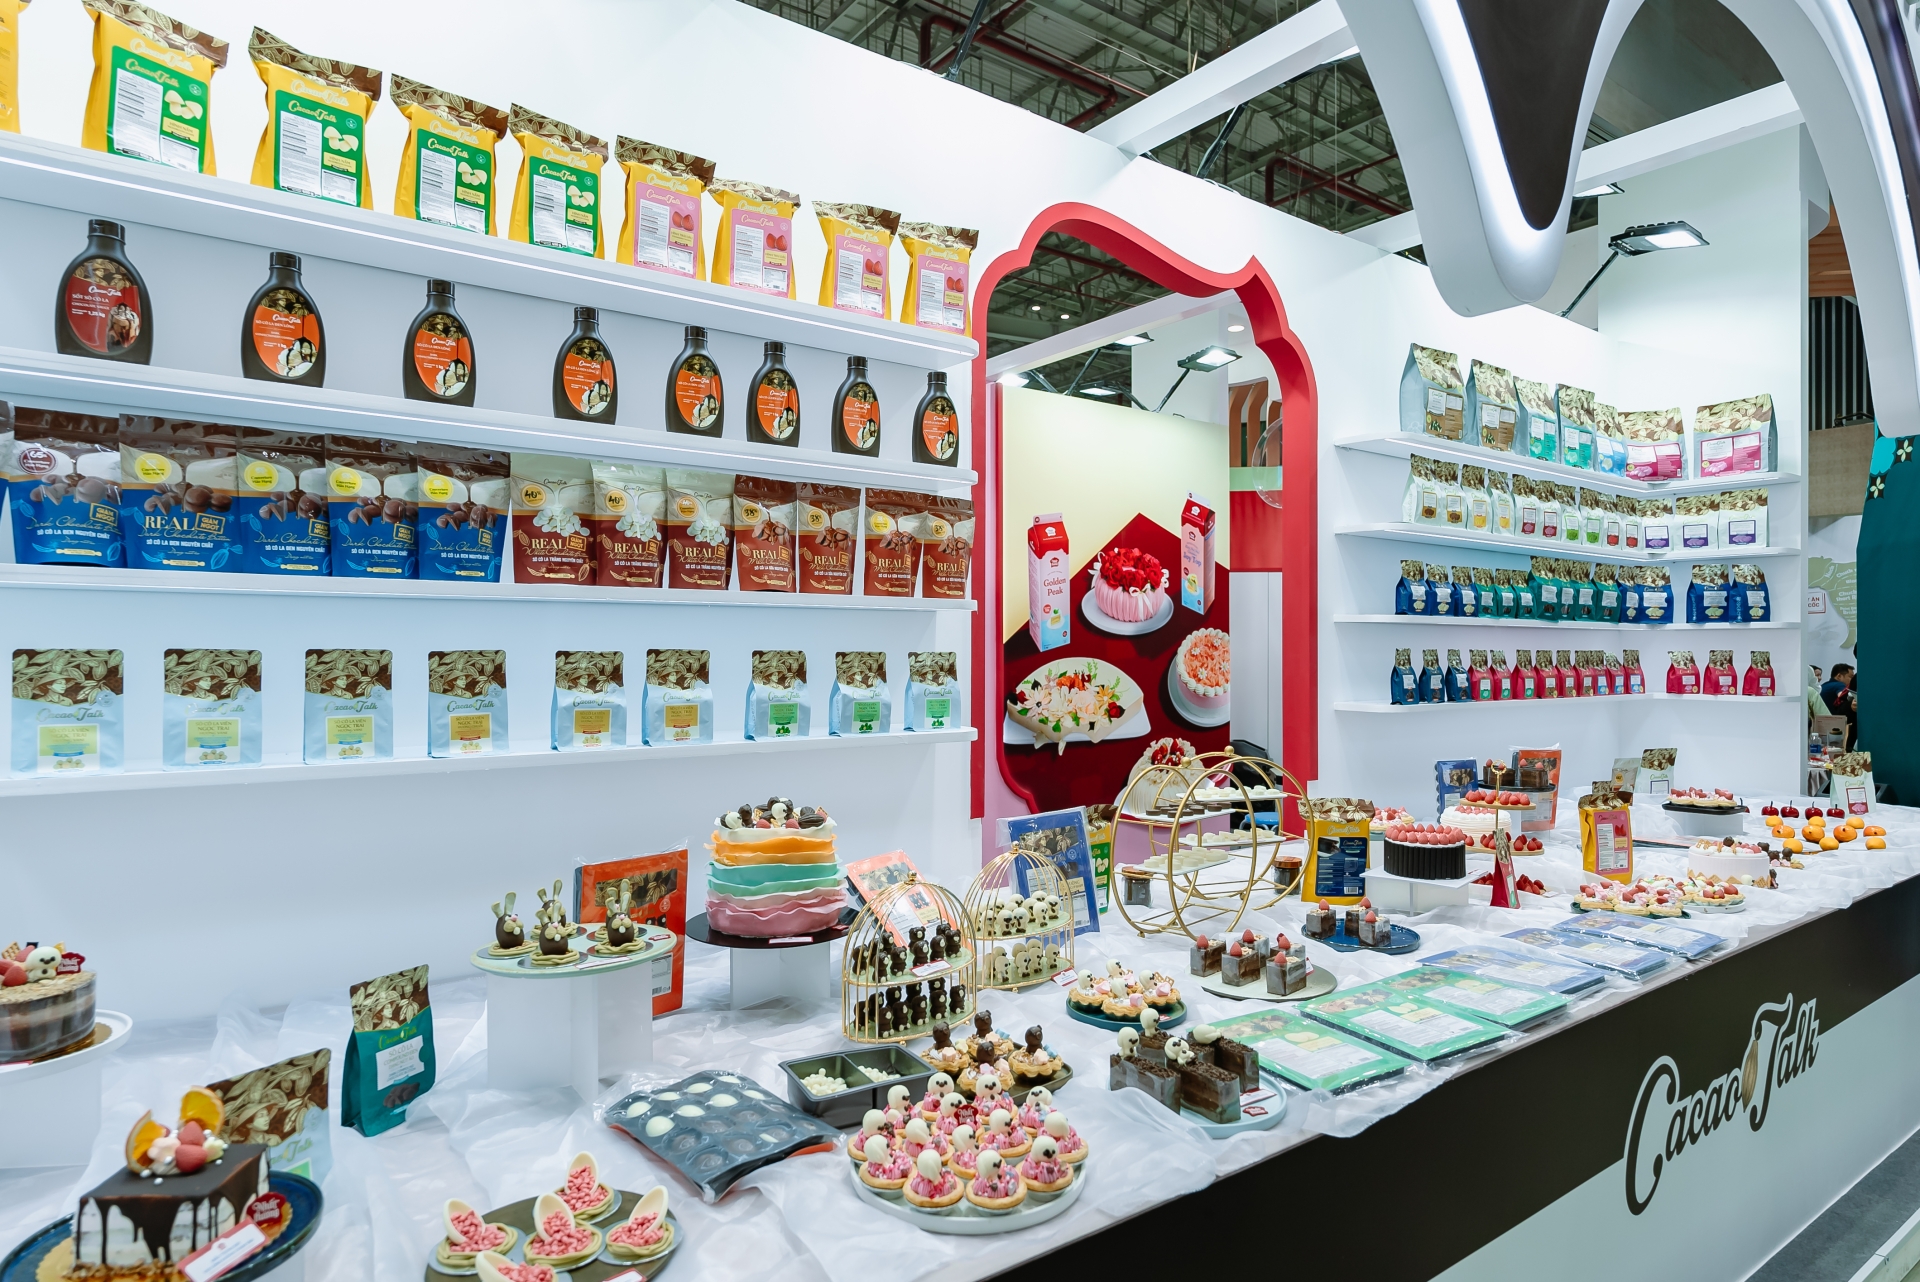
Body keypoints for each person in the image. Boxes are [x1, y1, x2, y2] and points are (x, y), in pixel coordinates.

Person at [1822, 664, 1858, 749]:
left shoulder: (1824, 685)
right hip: (1839, 726)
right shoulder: (1839, 686)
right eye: (1850, 677)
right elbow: (1841, 696)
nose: (1851, 680)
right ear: (1839, 676)